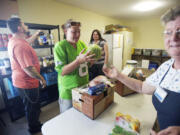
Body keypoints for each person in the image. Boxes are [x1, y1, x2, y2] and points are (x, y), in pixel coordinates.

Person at [103, 6, 180, 135]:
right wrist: (118, 75)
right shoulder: (167, 66)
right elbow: (142, 87)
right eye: (168, 32)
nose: (173, 38)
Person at [7, 16, 46, 134]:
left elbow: (28, 41)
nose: (27, 26)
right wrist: (41, 78)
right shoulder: (20, 46)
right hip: (27, 82)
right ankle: (33, 129)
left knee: (31, 106)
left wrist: (37, 34)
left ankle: (34, 124)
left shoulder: (15, 40)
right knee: (31, 108)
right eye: (24, 24)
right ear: (20, 28)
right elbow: (28, 68)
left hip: (22, 81)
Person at [54, 20, 94, 113]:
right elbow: (62, 71)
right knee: (68, 120)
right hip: (68, 91)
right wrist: (78, 61)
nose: (77, 34)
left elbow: (86, 65)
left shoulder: (82, 44)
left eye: (79, 31)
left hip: (83, 88)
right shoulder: (60, 46)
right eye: (73, 32)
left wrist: (91, 61)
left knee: (81, 115)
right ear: (65, 31)